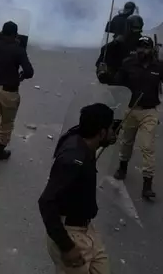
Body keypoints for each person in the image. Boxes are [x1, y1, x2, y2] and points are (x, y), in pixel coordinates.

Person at [38, 103, 116, 273]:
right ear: (101, 132)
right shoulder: (73, 161)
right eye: (110, 129)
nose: (112, 132)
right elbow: (46, 202)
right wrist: (67, 247)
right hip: (71, 235)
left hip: (87, 230)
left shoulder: (79, 138)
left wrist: (108, 139)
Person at [112, 36, 163, 199]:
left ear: (152, 49)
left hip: (149, 112)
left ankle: (147, 184)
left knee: (148, 147)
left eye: (146, 47)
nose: (142, 51)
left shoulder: (160, 67)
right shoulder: (128, 63)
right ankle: (122, 166)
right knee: (126, 142)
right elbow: (117, 85)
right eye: (140, 47)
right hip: (131, 109)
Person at [0, 21, 34, 173]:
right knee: (6, 123)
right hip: (10, 92)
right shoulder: (18, 50)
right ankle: (0, 151)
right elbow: (29, 72)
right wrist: (21, 76)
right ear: (15, 34)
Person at [96, 14, 143, 84]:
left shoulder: (142, 42)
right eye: (134, 28)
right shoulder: (117, 44)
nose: (135, 31)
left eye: (137, 29)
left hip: (136, 80)